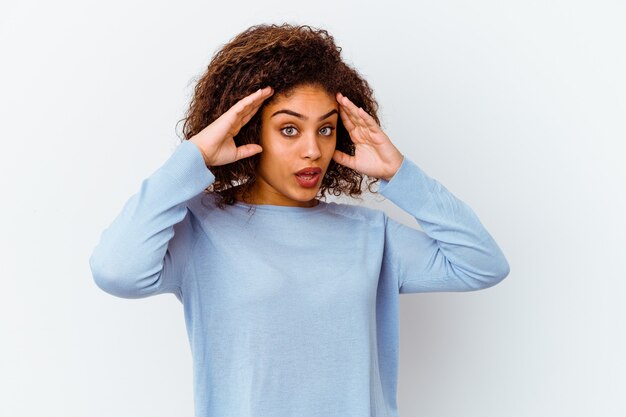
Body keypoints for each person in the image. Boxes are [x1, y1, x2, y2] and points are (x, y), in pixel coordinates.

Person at [89, 23, 510, 417]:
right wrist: (191, 160)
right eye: (290, 129)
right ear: (250, 132)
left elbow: (482, 264)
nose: (313, 150)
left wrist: (401, 175)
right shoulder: (202, 227)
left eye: (325, 130)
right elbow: (117, 271)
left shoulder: (371, 235)